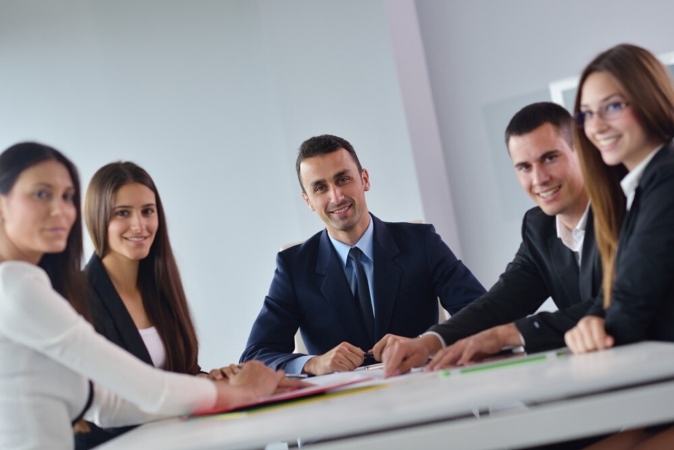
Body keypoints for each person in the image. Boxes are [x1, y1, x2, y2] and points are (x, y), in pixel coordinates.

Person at [0, 142, 300, 450]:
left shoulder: (28, 284)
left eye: (67, 196)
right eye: (41, 193)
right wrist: (242, 392)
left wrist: (215, 386)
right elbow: (145, 388)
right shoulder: (15, 287)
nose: (60, 210)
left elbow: (107, 405)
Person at [378, 102, 601, 377]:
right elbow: (501, 303)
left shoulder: (628, 210)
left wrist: (507, 335)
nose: (539, 178)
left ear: (581, 150)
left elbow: (618, 303)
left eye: (550, 158)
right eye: (524, 167)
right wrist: (430, 341)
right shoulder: (538, 226)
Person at [240, 134, 486, 375]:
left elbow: (483, 315)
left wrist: (426, 342)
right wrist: (312, 363)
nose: (336, 196)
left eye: (343, 179)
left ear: (364, 179)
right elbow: (255, 356)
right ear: (308, 201)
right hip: (345, 409)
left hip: (425, 395)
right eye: (320, 187)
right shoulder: (294, 267)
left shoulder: (421, 242)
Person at [562, 44, 674, 449]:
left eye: (612, 107)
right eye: (587, 113)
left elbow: (632, 299)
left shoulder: (668, 175)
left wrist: (599, 331)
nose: (596, 126)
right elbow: (617, 291)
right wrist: (591, 322)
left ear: (648, 98)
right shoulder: (640, 187)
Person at [75, 162, 204, 448]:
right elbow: (97, 407)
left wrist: (214, 379)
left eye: (148, 211)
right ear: (97, 218)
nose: (139, 225)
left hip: (171, 439)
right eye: (123, 213)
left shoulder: (159, 286)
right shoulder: (79, 297)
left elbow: (181, 373)